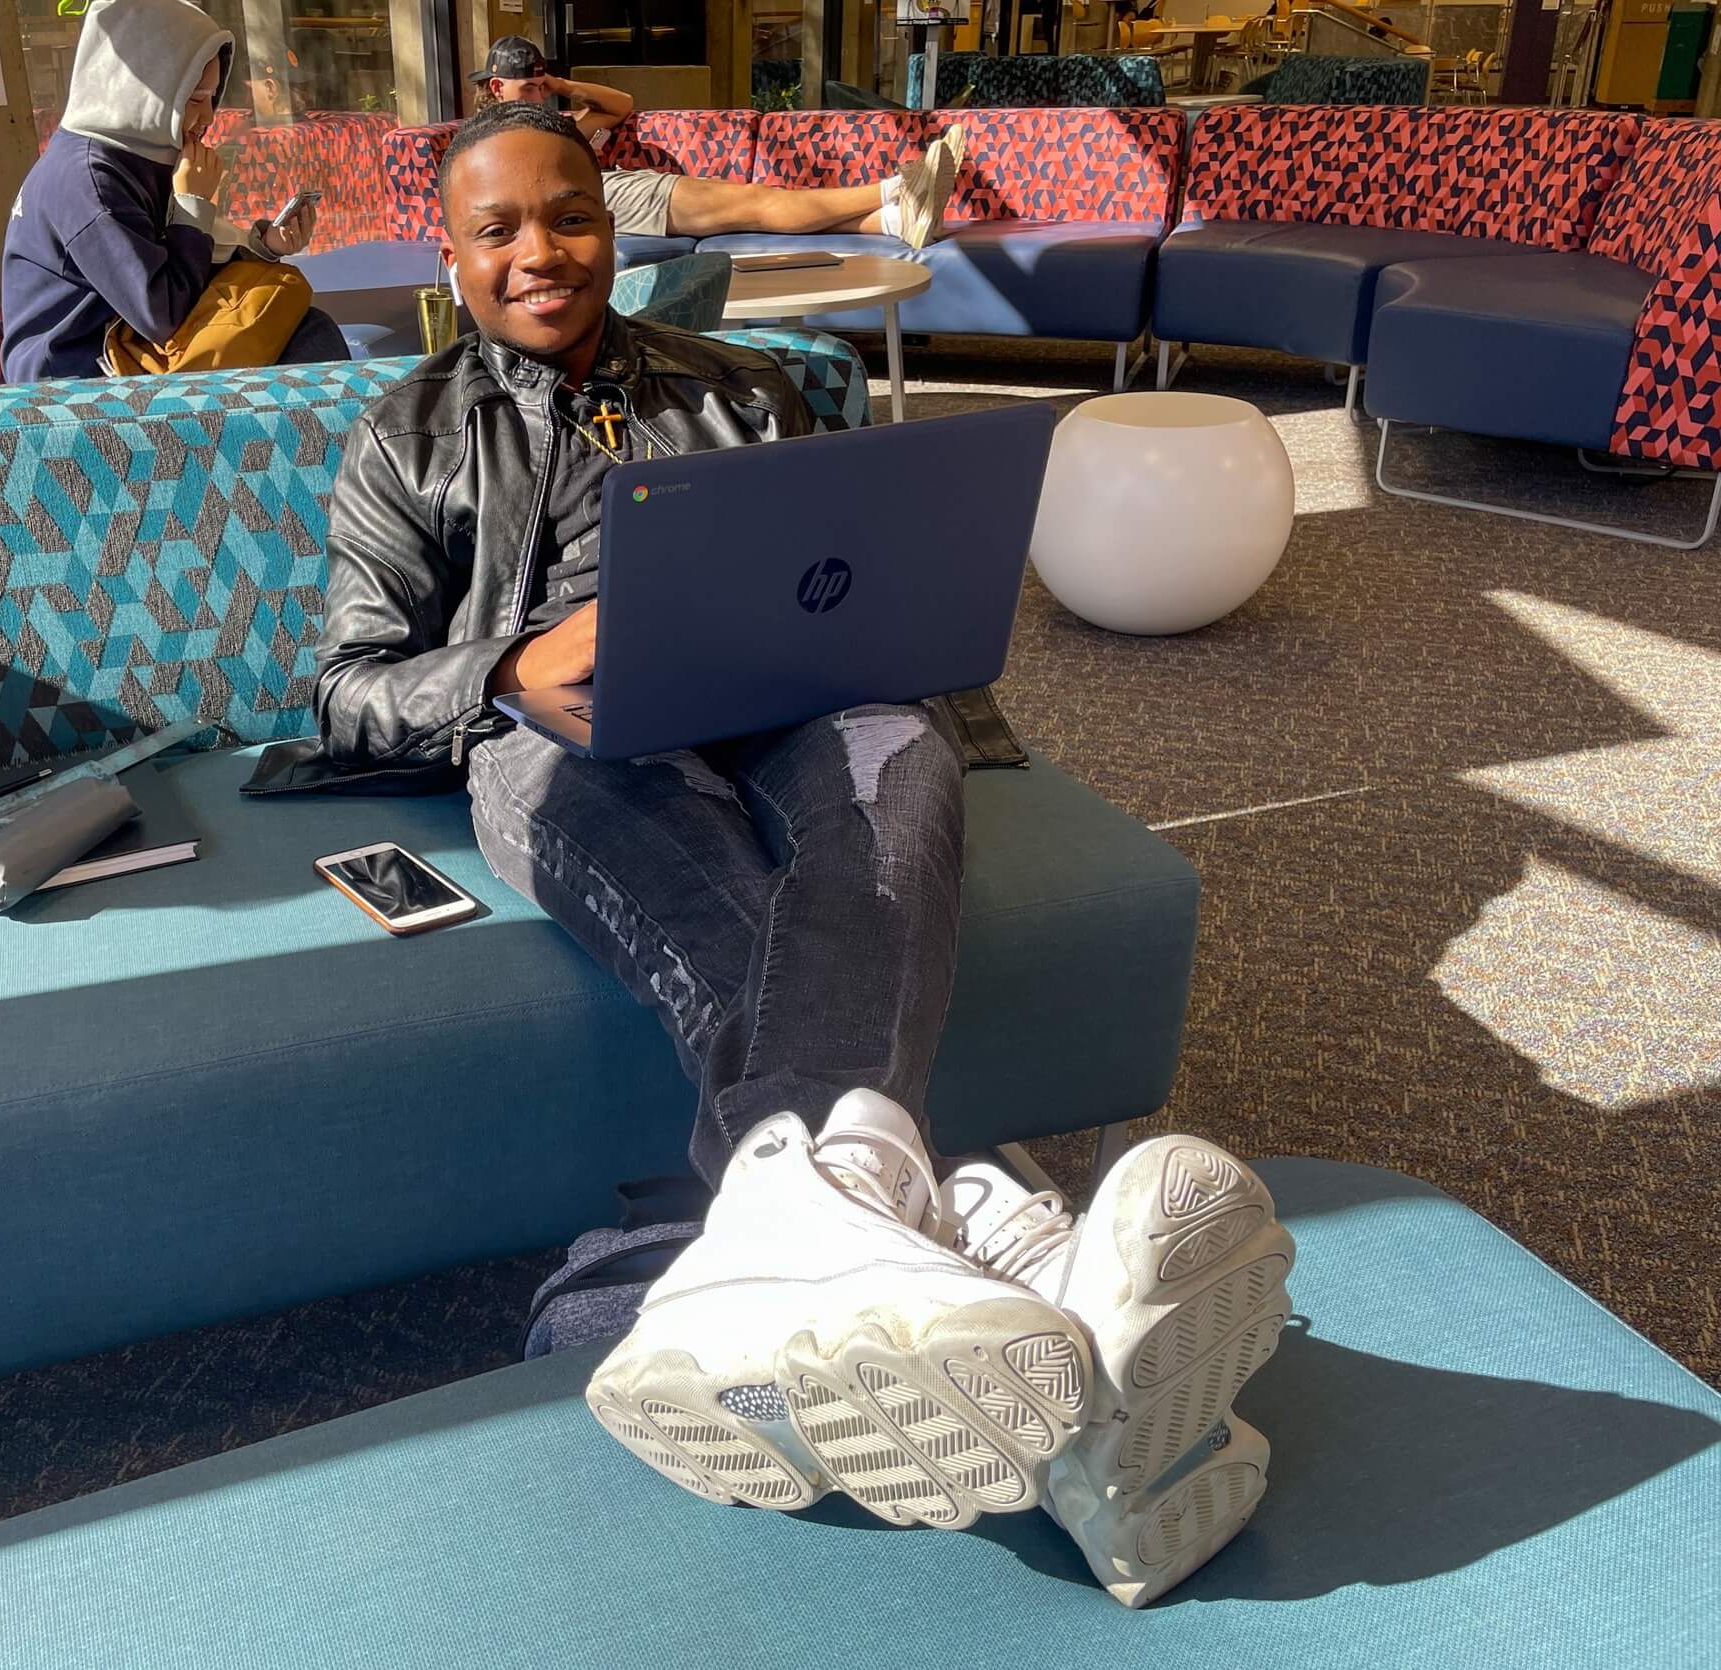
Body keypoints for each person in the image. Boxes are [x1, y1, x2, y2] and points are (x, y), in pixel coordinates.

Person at [312, 97, 1293, 1609]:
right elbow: (344, 683)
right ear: (450, 256)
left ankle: (796, 1228)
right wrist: (508, 667)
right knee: (730, 918)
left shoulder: (743, 387)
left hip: (783, 703)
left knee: (905, 741)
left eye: (568, 216)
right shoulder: (402, 437)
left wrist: (874, 631)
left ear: (614, 228)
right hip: (558, 742)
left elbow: (857, 567)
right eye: (497, 228)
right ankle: (1005, 1253)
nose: (540, 252)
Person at [1, 0, 349, 383]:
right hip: (73, 374)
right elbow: (161, 313)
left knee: (303, 326)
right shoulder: (90, 181)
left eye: (213, 98)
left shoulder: (133, 151)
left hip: (123, 343)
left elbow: (170, 260)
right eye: (194, 99)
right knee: (305, 345)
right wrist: (193, 206)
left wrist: (262, 244)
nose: (208, 118)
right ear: (145, 91)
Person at [471, 36, 962, 248]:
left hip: (621, 187)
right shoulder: (504, 137)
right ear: (496, 87)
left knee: (757, 205)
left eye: (540, 84)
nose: (538, 93)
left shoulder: (550, 123)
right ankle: (897, 189)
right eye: (527, 86)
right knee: (755, 202)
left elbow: (619, 105)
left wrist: (559, 86)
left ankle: (896, 222)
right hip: (610, 197)